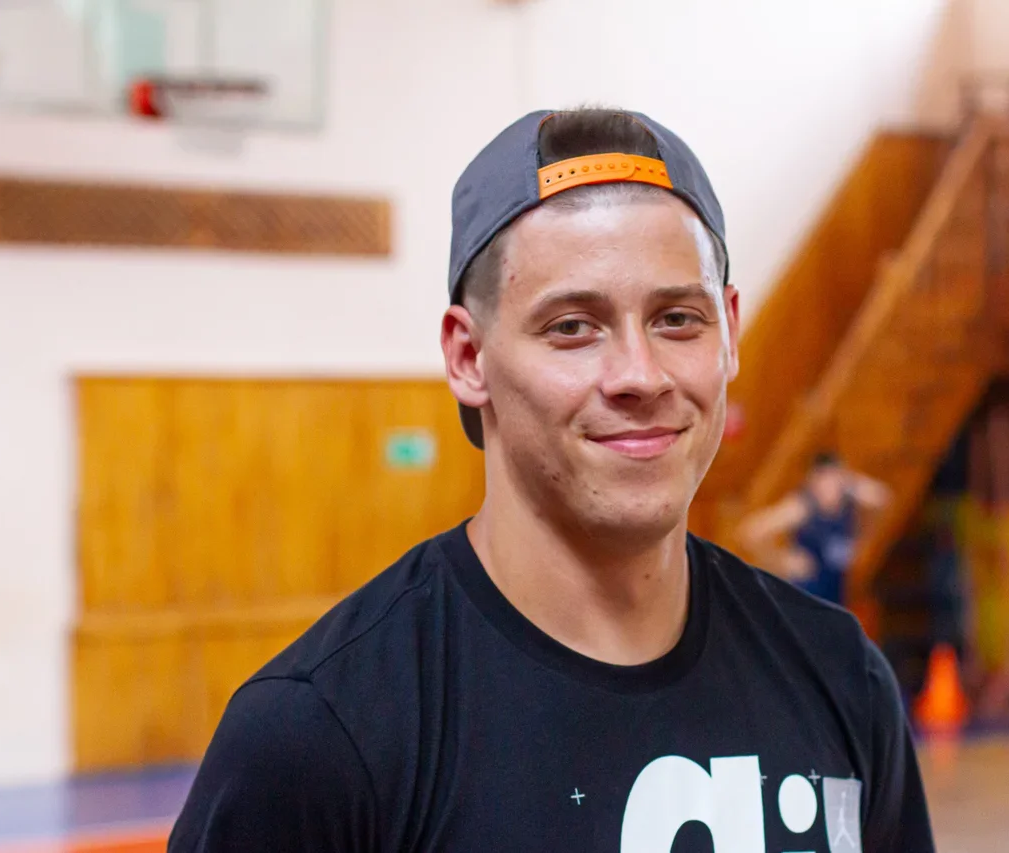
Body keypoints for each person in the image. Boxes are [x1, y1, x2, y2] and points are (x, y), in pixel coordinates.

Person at [169, 108, 933, 852]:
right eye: (572, 326)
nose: (640, 374)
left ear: (730, 333)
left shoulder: (842, 680)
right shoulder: (320, 737)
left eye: (677, 319)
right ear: (468, 357)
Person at [737, 452, 889, 606]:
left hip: (834, 592)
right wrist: (779, 560)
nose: (830, 488)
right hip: (803, 595)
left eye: (834, 480)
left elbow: (881, 498)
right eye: (823, 481)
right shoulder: (801, 507)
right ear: (812, 481)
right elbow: (750, 531)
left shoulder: (847, 501)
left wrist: (862, 538)